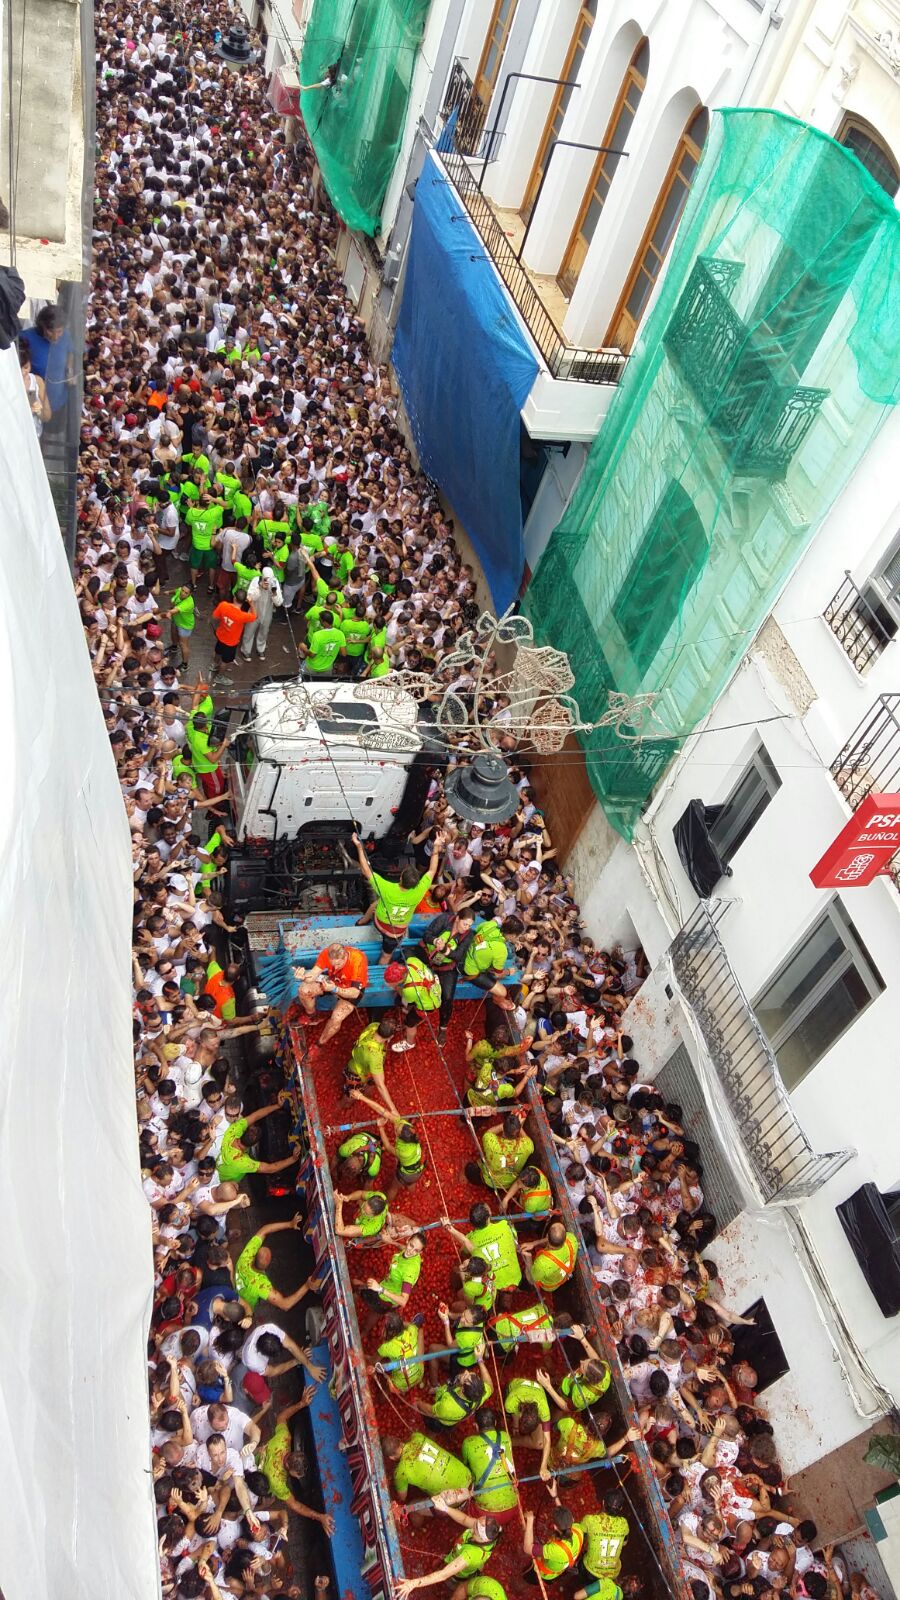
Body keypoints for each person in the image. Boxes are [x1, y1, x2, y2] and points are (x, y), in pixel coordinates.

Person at [351, 829, 445, 963]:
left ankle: (363, 921)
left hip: (380, 923)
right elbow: (432, 870)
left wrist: (360, 848)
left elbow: (365, 870)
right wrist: (436, 847)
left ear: (401, 877)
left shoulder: (387, 888)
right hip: (396, 933)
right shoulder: (420, 890)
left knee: (376, 904)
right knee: (386, 956)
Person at [257, 1393, 336, 1534]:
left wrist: (301, 1403)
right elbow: (296, 1506)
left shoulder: (284, 1438)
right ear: (288, 1468)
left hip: (256, 1455)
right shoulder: (278, 1483)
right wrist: (320, 1517)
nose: (298, 1477)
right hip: (258, 1479)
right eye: (297, 1475)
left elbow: (281, 1417)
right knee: (268, 1499)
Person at [293, 940, 368, 1047]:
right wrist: (304, 977)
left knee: (337, 1018)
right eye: (333, 964)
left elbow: (355, 993)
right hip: (333, 980)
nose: (336, 967)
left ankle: (320, 1043)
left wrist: (335, 989)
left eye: (338, 964)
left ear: (345, 956)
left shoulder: (358, 960)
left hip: (350, 988)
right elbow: (314, 974)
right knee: (303, 990)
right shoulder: (326, 953)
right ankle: (312, 1016)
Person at [234, 1216, 317, 1312]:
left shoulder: (246, 1255)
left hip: (235, 1291)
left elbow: (264, 1230)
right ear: (267, 1265)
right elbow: (285, 1305)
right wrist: (307, 1285)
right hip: (243, 1309)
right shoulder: (261, 1285)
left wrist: (290, 1224)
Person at [445, 1203, 523, 1292]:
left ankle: (468, 1291)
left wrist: (450, 1228)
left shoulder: (471, 1238)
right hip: (516, 1278)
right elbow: (515, 1241)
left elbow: (463, 1251)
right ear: (488, 1216)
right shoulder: (505, 1225)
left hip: (492, 1287)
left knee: (461, 1268)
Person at [216, 1100, 298, 1184]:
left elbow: (255, 1116)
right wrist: (293, 1159)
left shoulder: (233, 1130)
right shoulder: (242, 1163)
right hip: (224, 1182)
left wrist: (277, 1105)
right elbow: (270, 1169)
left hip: (217, 1168)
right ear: (255, 1145)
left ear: (243, 1131)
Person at [383, 955, 443, 1054]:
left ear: (400, 980)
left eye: (391, 983)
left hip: (428, 1005)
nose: (389, 984)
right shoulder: (412, 960)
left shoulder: (410, 990)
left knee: (410, 1023)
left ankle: (409, 1042)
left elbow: (407, 1001)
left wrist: (397, 988)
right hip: (434, 990)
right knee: (405, 1005)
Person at [466, 1110, 535, 1193]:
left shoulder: (491, 1142)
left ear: (503, 1128)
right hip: (510, 1182)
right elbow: (528, 1140)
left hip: (490, 1180)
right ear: (516, 1132)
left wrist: (506, 1125)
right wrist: (518, 1126)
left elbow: (488, 1133)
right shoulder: (527, 1146)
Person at [342, 1015, 398, 1113]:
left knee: (369, 1087)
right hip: (356, 1073)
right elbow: (380, 1085)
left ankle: (366, 1096)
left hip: (362, 1063)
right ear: (391, 1037)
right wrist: (393, 1109)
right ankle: (341, 1107)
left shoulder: (373, 1026)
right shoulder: (375, 1057)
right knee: (349, 1098)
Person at [523, 1505, 584, 1584]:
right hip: (561, 1567)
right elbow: (564, 1520)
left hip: (546, 1573)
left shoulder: (556, 1550)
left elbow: (527, 1548)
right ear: (572, 1520)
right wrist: (555, 1497)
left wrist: (530, 1520)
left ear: (554, 1527)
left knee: (529, 1577)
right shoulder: (578, 1531)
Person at [521, 1219, 581, 1293]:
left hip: (549, 1285)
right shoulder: (571, 1238)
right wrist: (534, 1243)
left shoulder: (543, 1263)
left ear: (547, 1236)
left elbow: (531, 1279)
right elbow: (554, 1239)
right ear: (565, 1237)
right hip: (563, 1277)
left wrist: (528, 1259)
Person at [242, 567, 283, 659]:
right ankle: (246, 650)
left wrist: (274, 593)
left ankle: (261, 649)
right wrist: (260, 587)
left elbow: (279, 603)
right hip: (254, 610)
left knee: (264, 632)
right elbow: (250, 598)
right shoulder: (255, 580)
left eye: (270, 579)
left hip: (267, 612)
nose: (267, 581)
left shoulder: (275, 583)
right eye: (266, 579)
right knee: (249, 631)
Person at [211, 596, 256, 678]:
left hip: (221, 636)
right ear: (244, 601)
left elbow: (214, 617)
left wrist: (216, 629)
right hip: (231, 642)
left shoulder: (223, 605)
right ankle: (220, 677)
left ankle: (214, 665)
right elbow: (254, 616)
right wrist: (251, 604)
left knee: (218, 652)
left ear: (234, 598)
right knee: (226, 661)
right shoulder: (243, 616)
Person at [18, 339, 50, 435]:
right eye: (19, 369)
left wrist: (38, 411)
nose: (23, 372)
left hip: (34, 435)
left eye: (26, 367)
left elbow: (47, 416)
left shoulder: (37, 381)